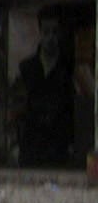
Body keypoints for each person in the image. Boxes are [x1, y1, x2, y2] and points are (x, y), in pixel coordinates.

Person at [17, 16, 78, 166]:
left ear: (60, 35)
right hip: (31, 141)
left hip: (58, 142)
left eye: (55, 32)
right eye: (46, 32)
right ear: (40, 34)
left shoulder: (69, 69)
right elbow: (18, 101)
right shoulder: (26, 67)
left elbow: (72, 106)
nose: (51, 37)